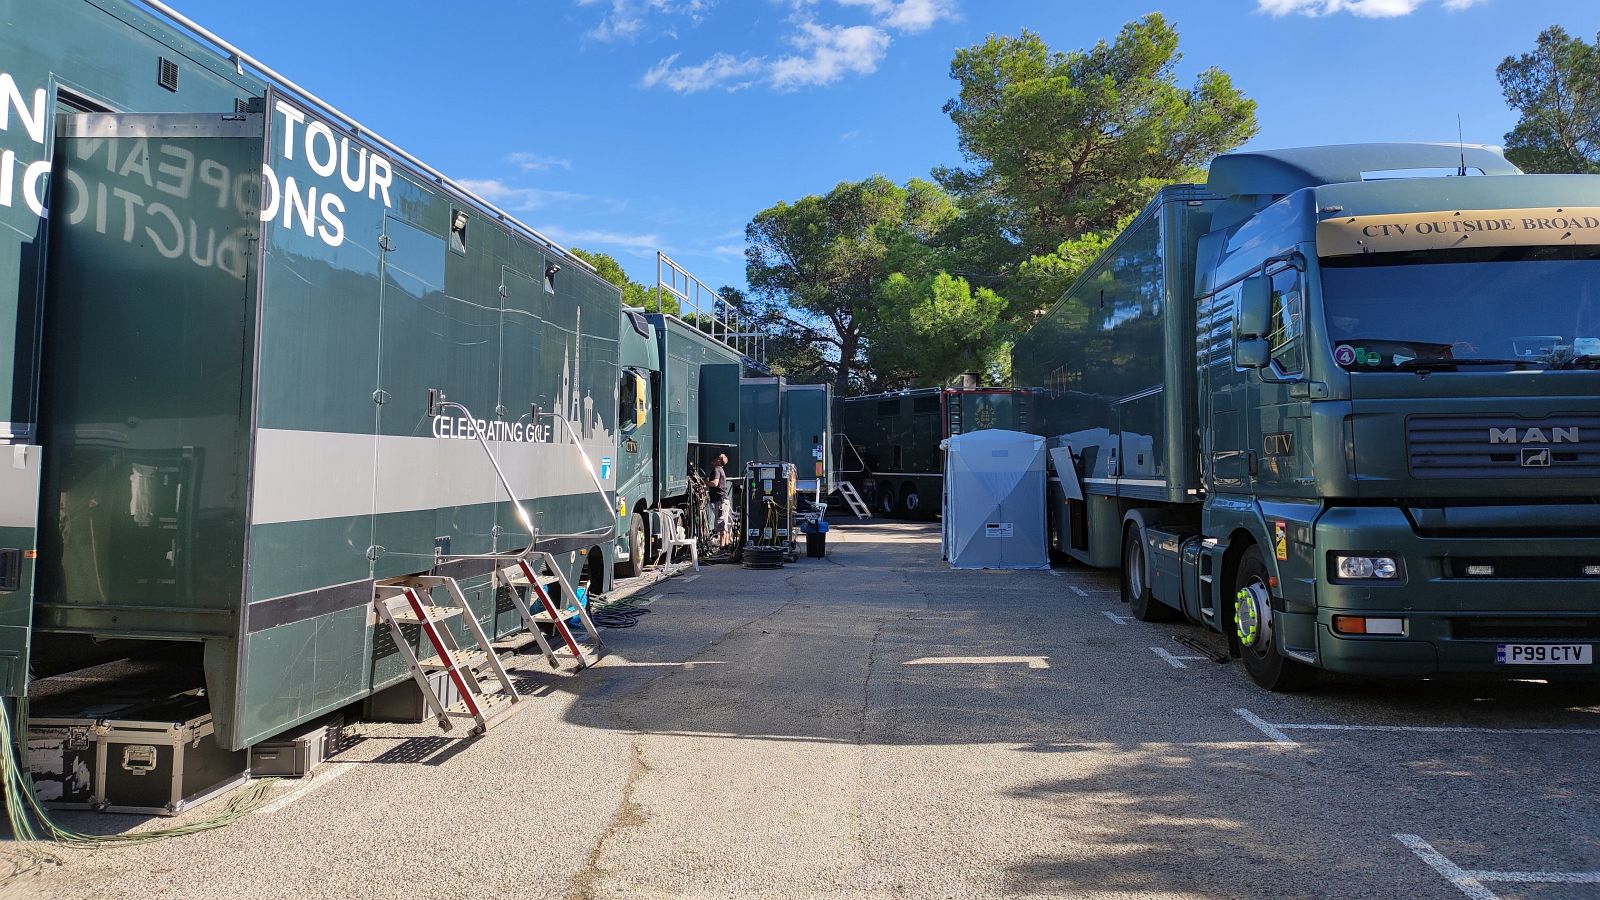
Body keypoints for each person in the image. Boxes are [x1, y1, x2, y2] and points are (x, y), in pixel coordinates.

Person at [709, 453, 731, 548]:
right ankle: (725, 545)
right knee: (724, 523)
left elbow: (715, 483)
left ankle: (722, 547)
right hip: (724, 500)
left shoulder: (716, 469)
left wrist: (704, 482)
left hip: (720, 501)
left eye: (716, 458)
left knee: (721, 523)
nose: (714, 459)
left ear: (718, 460)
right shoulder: (721, 470)